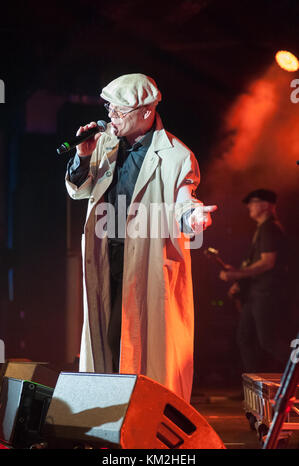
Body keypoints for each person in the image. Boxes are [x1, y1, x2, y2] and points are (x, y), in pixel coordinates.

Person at [65, 73, 217, 402]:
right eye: (110, 110)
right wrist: (82, 156)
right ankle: (105, 413)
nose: (111, 118)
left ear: (146, 112)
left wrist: (194, 217)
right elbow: (80, 190)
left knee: (145, 346)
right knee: (106, 337)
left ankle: (145, 419)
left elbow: (183, 201)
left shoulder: (177, 155)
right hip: (107, 257)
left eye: (119, 112)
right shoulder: (104, 142)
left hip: (148, 262)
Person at [219, 189, 291, 373]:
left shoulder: (269, 228)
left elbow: (267, 263)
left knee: (268, 341)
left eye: (253, 202)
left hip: (266, 294)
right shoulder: (263, 229)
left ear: (266, 205)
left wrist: (237, 275)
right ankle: (254, 386)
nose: (249, 206)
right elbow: (258, 263)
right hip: (257, 294)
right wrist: (240, 279)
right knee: (247, 338)